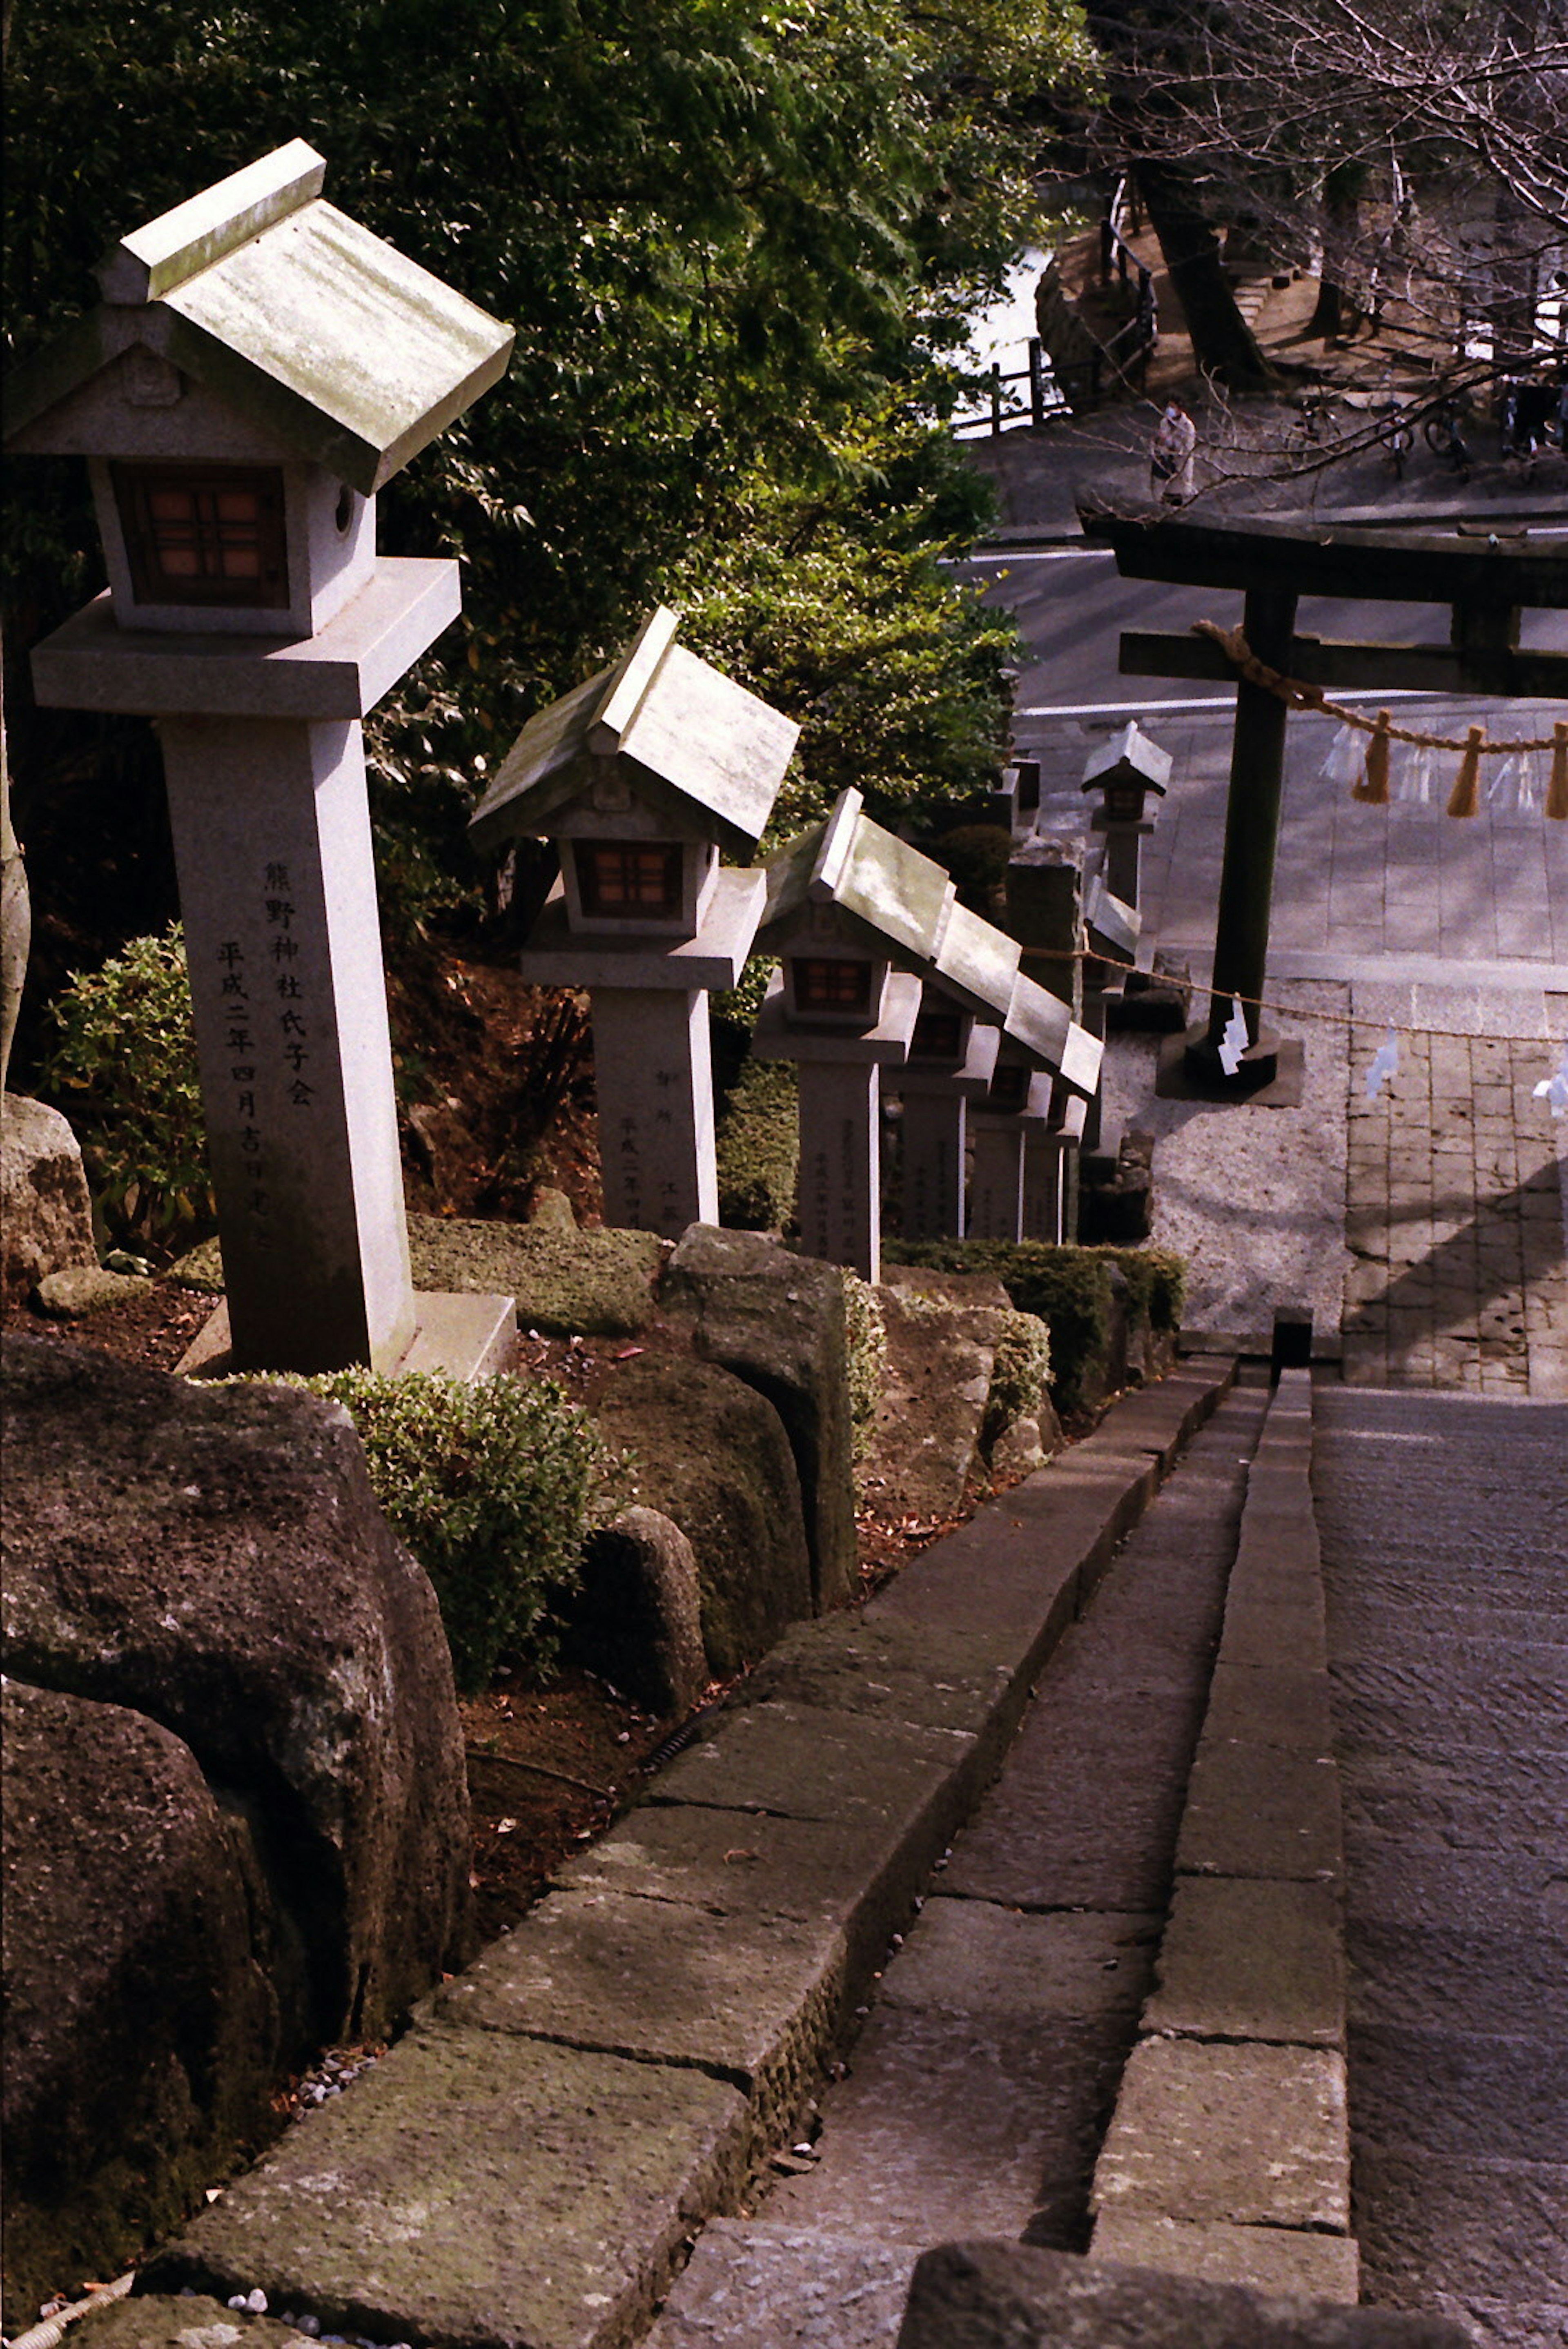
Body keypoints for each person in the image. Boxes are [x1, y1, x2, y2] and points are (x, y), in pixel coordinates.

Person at [1149, 396, 1196, 504]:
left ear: (1180, 409)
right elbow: (1161, 440)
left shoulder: (1188, 426)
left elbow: (1187, 447)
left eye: (1172, 407)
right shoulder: (1165, 422)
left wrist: (1171, 443)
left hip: (1181, 463)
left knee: (1178, 493)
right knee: (1166, 489)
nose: (1169, 410)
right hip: (1168, 461)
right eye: (1168, 407)